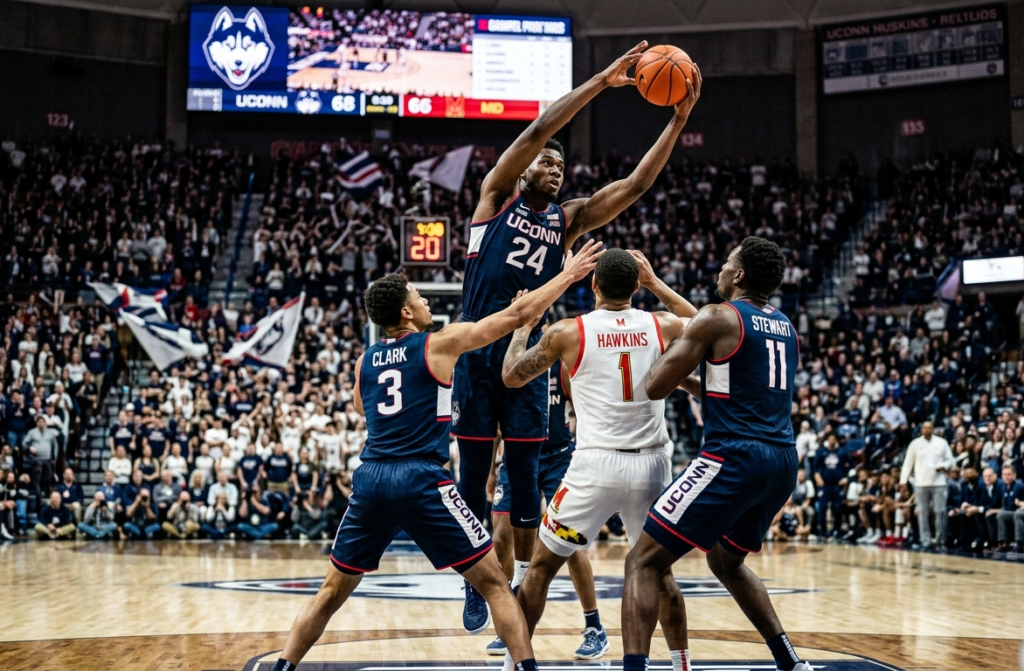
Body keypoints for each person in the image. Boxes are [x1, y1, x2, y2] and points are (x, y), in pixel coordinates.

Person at [452, 40, 702, 630]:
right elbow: (540, 128)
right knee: (468, 479)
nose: (555, 168)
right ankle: (473, 577)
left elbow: (636, 185)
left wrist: (677, 119)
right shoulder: (493, 199)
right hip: (475, 352)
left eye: (562, 166)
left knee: (519, 488)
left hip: (525, 358)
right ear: (526, 169)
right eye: (547, 163)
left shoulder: (567, 222)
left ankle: (505, 581)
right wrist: (599, 82)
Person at [271, 241, 602, 671]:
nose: (426, 301)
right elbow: (514, 318)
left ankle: (283, 666)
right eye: (419, 298)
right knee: (496, 586)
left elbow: (360, 406)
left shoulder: (365, 360)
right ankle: (526, 668)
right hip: (422, 478)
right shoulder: (439, 345)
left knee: (331, 591)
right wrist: (568, 274)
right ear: (407, 313)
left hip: (371, 478)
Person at [620, 237, 812, 671]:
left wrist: (653, 350)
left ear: (739, 274)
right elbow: (725, 375)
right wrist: (656, 286)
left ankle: (633, 668)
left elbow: (654, 386)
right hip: (781, 460)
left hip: (734, 457)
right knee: (725, 559)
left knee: (643, 560)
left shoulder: (717, 318)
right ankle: (790, 662)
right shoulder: (784, 326)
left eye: (728, 263)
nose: (721, 269)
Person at [500, 249, 694, 668]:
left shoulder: (567, 332)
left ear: (593, 286)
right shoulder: (663, 324)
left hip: (596, 466)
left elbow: (512, 375)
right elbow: (706, 325)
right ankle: (682, 664)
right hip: (652, 467)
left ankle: (514, 664)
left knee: (542, 568)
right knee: (658, 574)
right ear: (637, 286)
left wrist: (524, 329)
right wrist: (658, 283)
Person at [485, 362, 604, 659]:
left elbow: (585, 410)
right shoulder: (509, 365)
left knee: (569, 541)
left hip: (557, 459)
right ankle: (515, 616)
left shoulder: (559, 368)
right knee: (500, 535)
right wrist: (490, 469)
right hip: (517, 456)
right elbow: (496, 424)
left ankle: (594, 627)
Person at [899, 421, 954, 549]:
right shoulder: (915, 444)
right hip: (921, 483)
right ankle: (925, 541)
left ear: (933, 429)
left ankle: (941, 541)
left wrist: (944, 466)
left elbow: (951, 460)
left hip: (939, 483)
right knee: (923, 513)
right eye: (925, 428)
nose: (927, 430)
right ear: (921, 429)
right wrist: (903, 481)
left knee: (940, 512)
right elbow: (908, 463)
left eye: (930, 428)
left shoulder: (941, 442)